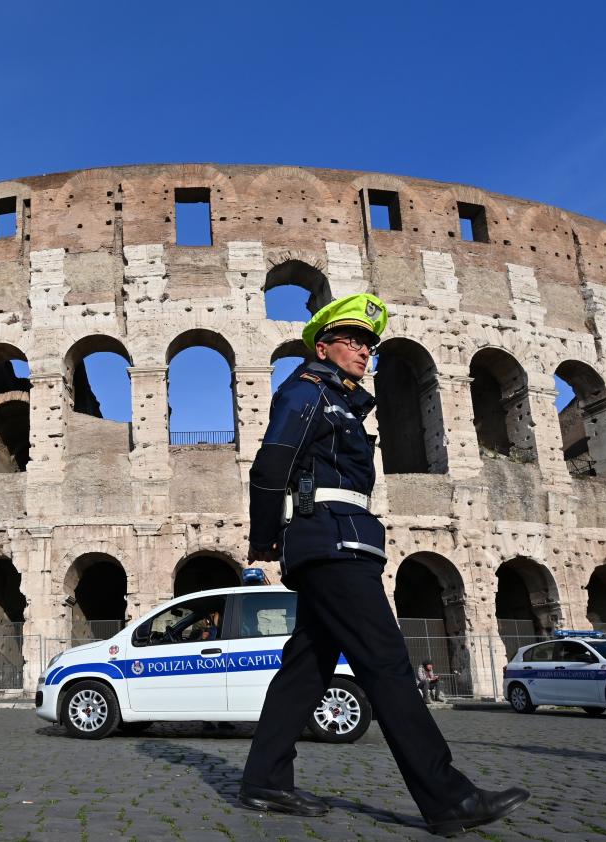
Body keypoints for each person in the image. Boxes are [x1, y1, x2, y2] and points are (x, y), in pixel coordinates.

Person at [239, 293, 530, 836]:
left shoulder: (344, 404)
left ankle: (265, 779)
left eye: (369, 344)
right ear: (321, 347)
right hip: (330, 544)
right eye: (353, 340)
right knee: (388, 665)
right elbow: (271, 462)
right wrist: (265, 540)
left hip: (344, 540)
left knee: (306, 669)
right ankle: (447, 797)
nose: (364, 351)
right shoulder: (306, 391)